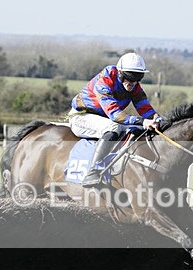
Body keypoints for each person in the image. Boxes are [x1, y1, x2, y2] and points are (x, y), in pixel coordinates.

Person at [68, 52, 164, 187]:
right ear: (120, 73)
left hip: (103, 119)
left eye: (138, 78)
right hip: (82, 117)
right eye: (130, 77)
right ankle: (93, 171)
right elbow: (115, 115)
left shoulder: (135, 86)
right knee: (114, 127)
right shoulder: (104, 81)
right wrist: (143, 121)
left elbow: (146, 109)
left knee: (135, 129)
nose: (133, 83)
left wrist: (159, 120)